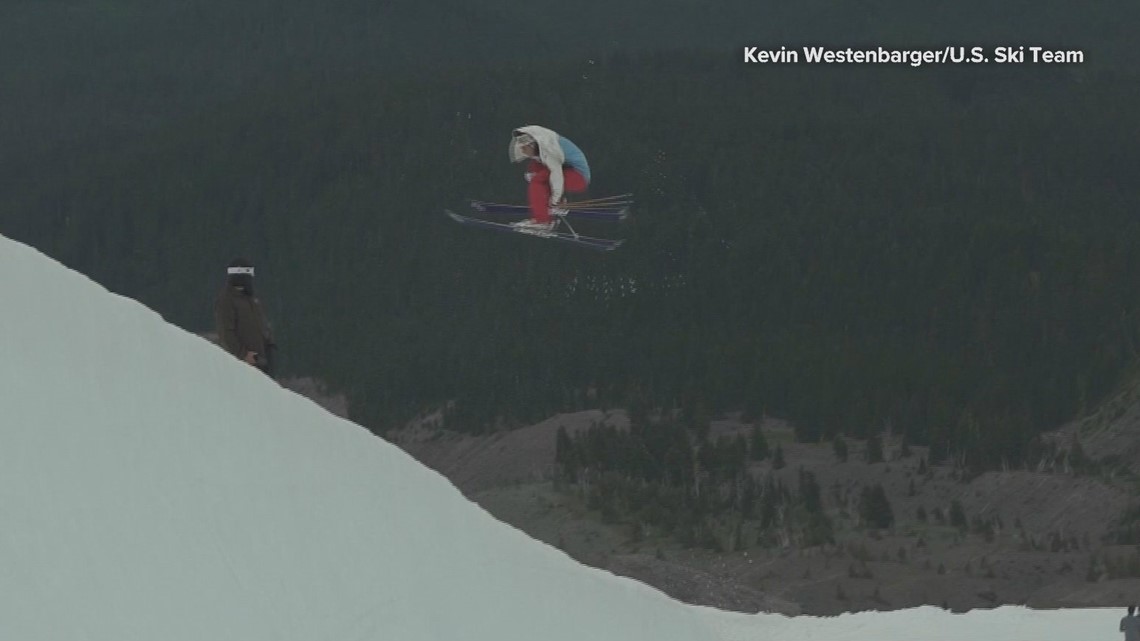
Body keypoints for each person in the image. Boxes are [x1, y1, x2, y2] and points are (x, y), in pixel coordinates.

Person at [507, 125, 591, 232]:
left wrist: (554, 201)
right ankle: (549, 211)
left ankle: (542, 221)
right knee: (536, 176)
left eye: (524, 148)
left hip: (579, 177)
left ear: (531, 145)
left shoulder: (549, 149)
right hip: (572, 172)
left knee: (537, 180)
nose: (523, 152)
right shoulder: (543, 144)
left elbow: (556, 175)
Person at [214, 258, 276, 376]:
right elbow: (226, 332)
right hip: (243, 364)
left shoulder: (251, 299)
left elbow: (261, 323)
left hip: (261, 360)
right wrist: (243, 354)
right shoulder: (226, 300)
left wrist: (270, 345)